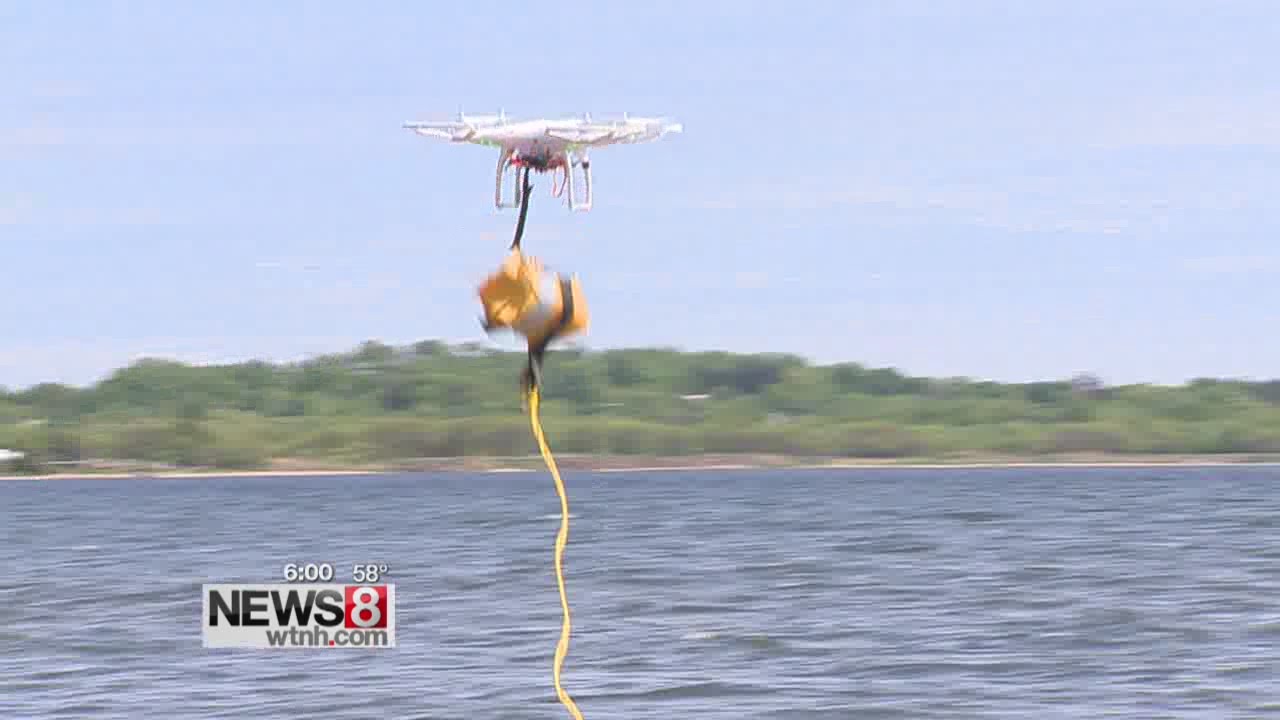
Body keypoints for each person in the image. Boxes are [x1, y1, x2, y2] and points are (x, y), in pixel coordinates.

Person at [477, 249, 588, 394]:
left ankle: (531, 382)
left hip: (561, 309)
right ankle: (531, 382)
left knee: (537, 349)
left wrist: (517, 257)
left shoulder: (514, 318)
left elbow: (518, 274)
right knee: (537, 350)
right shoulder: (518, 322)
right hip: (562, 309)